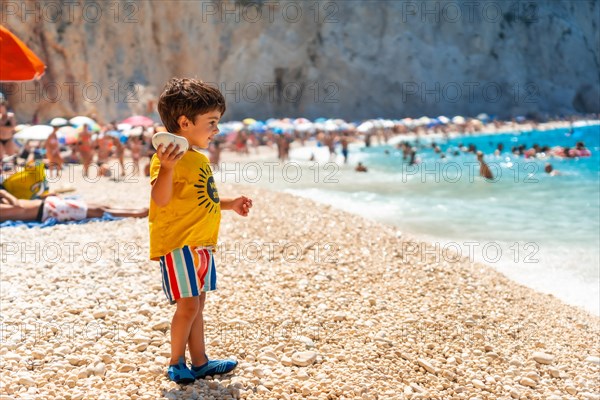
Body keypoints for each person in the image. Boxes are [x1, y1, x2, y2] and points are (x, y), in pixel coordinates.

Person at [149, 78, 253, 384]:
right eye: (211, 122)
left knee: (198, 305)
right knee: (189, 304)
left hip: (202, 245)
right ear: (184, 122)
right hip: (179, 244)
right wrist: (166, 169)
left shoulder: (198, 159)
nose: (216, 130)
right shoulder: (168, 157)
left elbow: (200, 198)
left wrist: (230, 203)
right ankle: (175, 361)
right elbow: (160, 198)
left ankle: (200, 361)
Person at [0, 189, 148, 222]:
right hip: (52, 211)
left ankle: (138, 211)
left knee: (99, 206)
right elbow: (18, 208)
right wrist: (5, 195)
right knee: (98, 211)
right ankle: (138, 213)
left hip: (49, 205)